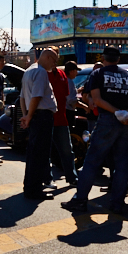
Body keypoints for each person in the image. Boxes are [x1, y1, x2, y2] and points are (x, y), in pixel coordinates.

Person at [61, 45, 128, 214]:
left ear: (103, 58)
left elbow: (96, 99)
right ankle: (117, 203)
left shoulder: (98, 74)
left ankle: (80, 200)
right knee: (122, 165)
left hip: (107, 120)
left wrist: (115, 112)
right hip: (126, 124)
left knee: (92, 161)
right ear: (118, 59)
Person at [19, 50, 57, 196]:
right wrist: (28, 116)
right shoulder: (41, 72)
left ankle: (29, 186)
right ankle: (34, 189)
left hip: (34, 115)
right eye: (54, 61)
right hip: (41, 116)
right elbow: (37, 96)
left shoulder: (28, 71)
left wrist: (26, 115)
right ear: (47, 57)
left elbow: (23, 97)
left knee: (33, 154)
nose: (55, 65)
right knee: (40, 154)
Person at [46, 50, 78, 186]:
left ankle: (72, 177)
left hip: (61, 118)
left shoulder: (62, 75)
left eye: (56, 59)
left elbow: (67, 96)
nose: (55, 61)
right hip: (45, 117)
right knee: (45, 150)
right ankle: (47, 179)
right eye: (53, 58)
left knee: (67, 150)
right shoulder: (41, 74)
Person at [64, 60, 79, 128]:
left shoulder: (64, 80)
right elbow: (71, 100)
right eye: (76, 71)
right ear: (71, 71)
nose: (77, 73)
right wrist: (85, 107)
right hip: (68, 112)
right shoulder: (69, 82)